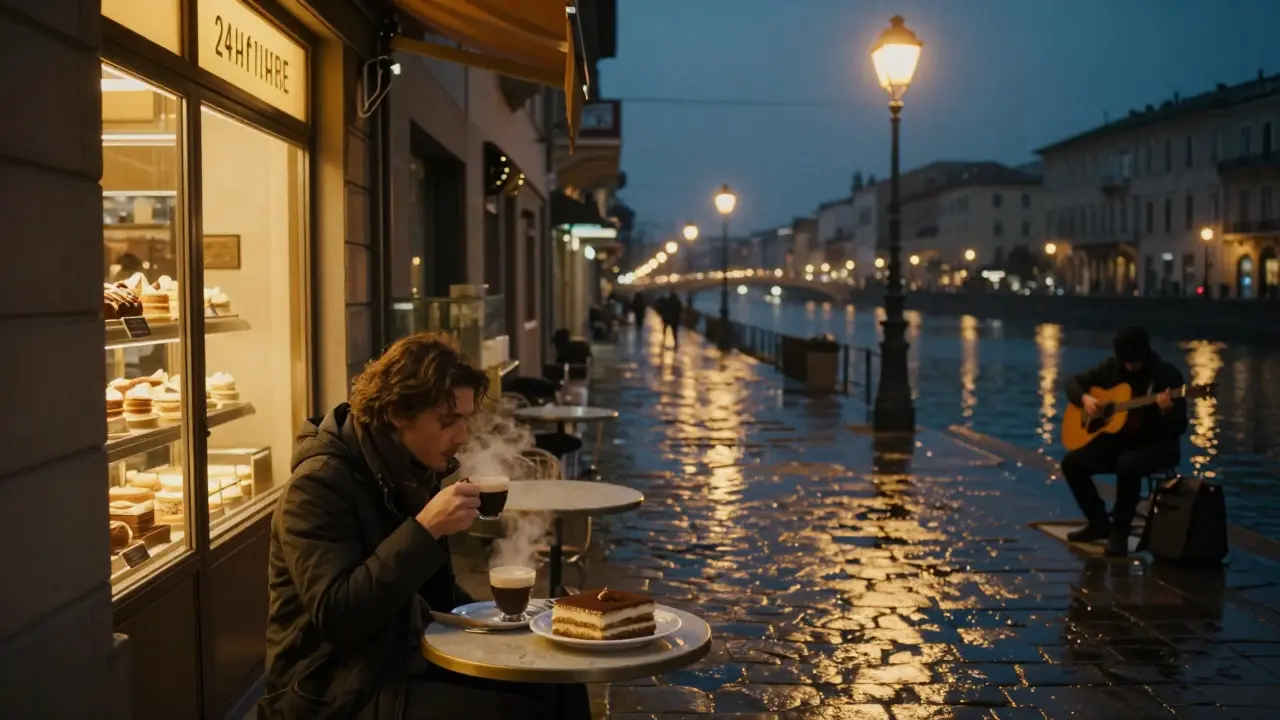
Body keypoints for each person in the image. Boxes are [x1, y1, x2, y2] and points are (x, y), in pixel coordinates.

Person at [260, 332, 588, 719]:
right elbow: (339, 617)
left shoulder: (409, 469)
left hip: (398, 659)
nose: (462, 437)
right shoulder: (318, 485)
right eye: (448, 421)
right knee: (519, 712)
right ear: (398, 412)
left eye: (465, 421)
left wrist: (511, 625)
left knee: (560, 679)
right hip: (331, 690)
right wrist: (424, 529)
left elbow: (439, 596)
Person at [1060, 326, 1188, 556]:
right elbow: (1072, 382)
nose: (1129, 367)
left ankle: (1120, 531)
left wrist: (1167, 411)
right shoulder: (1112, 368)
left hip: (1157, 445)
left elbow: (1179, 428)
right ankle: (1099, 523)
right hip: (1118, 442)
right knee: (1071, 463)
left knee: (1127, 465)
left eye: (1134, 362)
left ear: (1146, 353)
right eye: (1125, 361)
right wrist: (1085, 398)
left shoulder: (1166, 376)